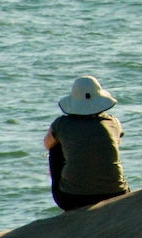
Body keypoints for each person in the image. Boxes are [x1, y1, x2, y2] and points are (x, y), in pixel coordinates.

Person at [44, 75, 129, 211]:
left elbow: (47, 144)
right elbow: (117, 144)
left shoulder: (62, 123)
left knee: (55, 148)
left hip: (72, 199)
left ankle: (74, 186)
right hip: (116, 193)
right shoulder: (113, 122)